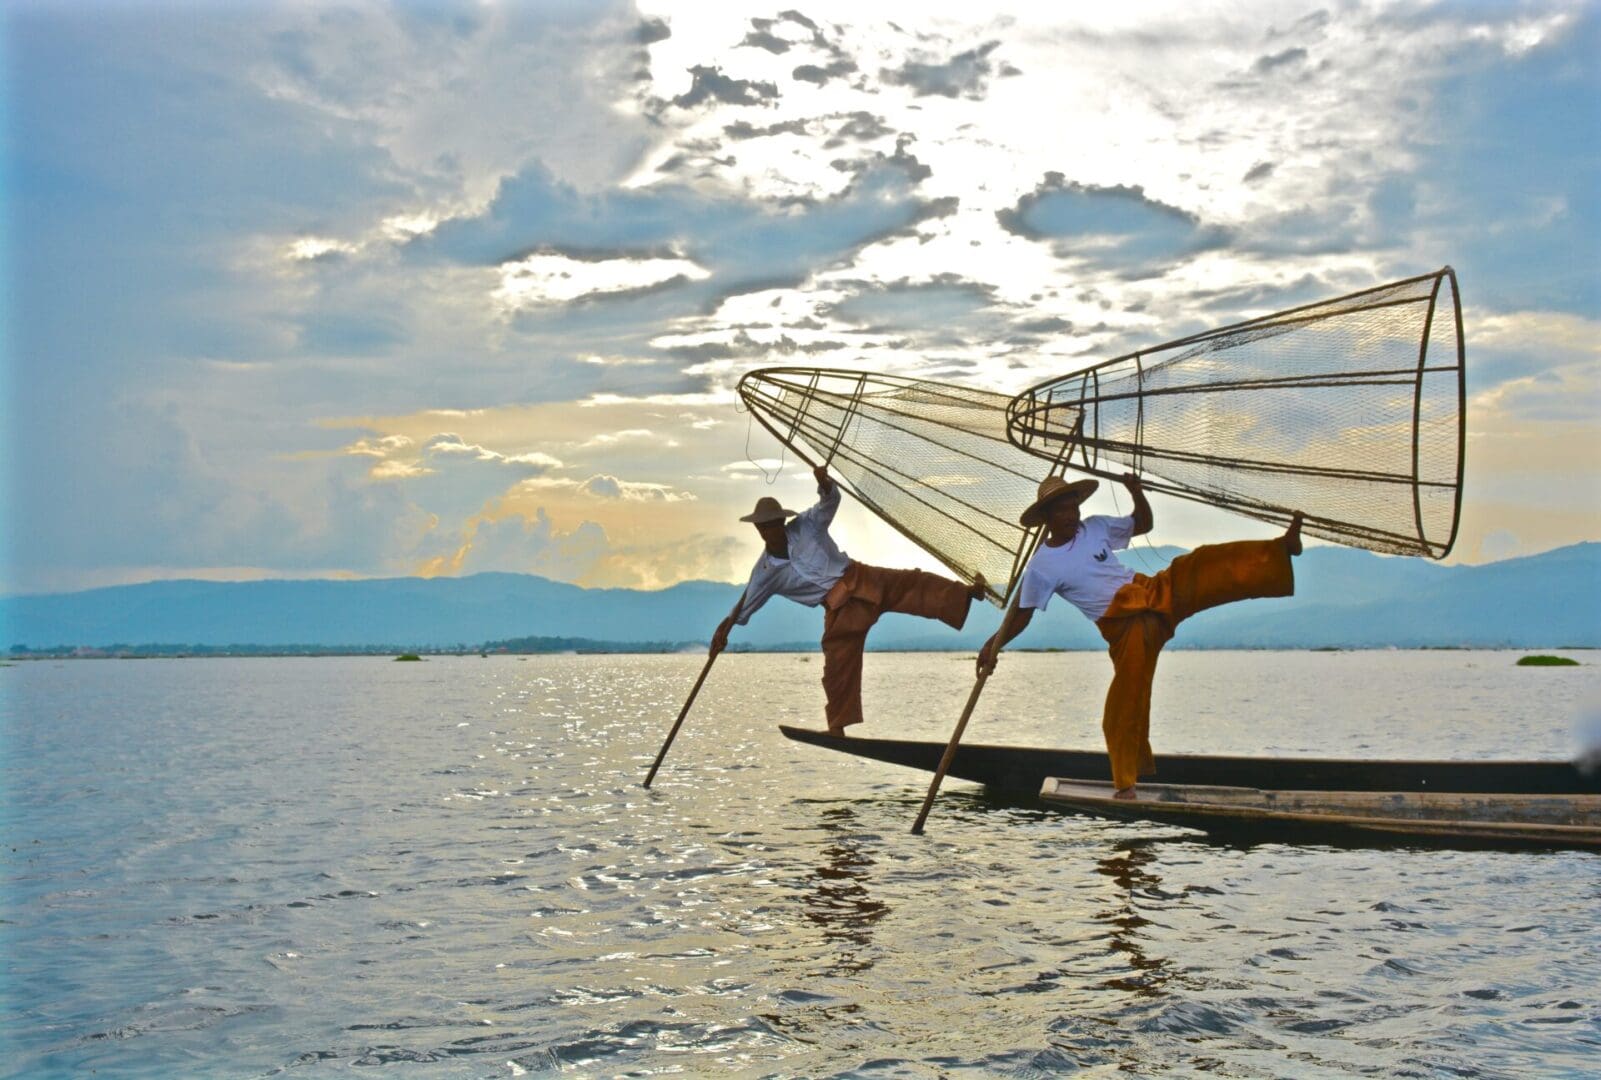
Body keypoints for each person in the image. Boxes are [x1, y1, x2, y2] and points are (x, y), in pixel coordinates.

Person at [977, 472, 1303, 799]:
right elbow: (1022, 613)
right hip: (1124, 627)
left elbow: (1142, 524)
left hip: (1150, 593)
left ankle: (1279, 551)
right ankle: (1126, 784)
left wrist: (1137, 493)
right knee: (1125, 700)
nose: (1070, 516)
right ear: (1046, 517)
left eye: (1072, 507)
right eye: (1061, 510)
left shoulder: (1096, 526)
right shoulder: (1041, 566)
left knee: (1200, 563)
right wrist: (992, 647)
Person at [711, 464, 987, 735]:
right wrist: (724, 630)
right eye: (764, 527)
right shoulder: (764, 572)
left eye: (773, 524)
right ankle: (837, 728)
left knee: (912, 583)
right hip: (840, 608)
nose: (769, 531)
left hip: (860, 578)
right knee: (837, 667)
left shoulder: (805, 526)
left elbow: (830, 502)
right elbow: (745, 606)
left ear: (782, 522)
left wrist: (825, 483)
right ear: (758, 529)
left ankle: (967, 593)